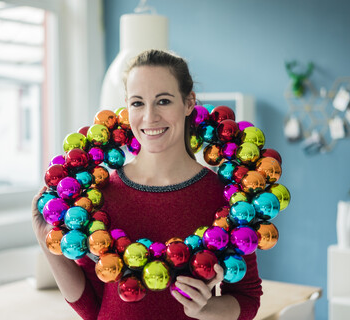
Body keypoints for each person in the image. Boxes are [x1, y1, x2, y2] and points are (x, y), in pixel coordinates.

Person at [32, 49, 262, 320]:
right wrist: (43, 236)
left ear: (189, 103)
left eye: (163, 101)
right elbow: (93, 307)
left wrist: (209, 309)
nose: (150, 116)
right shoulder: (99, 196)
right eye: (138, 103)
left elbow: (247, 299)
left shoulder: (225, 197)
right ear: (127, 106)